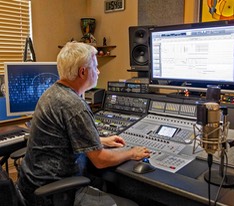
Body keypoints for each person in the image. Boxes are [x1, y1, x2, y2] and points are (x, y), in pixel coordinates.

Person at [17, 41, 150, 206]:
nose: (99, 71)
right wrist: (131, 153)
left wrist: (100, 140)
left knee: (107, 184)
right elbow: (100, 160)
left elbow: (64, 137)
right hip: (54, 194)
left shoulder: (53, 92)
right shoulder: (74, 105)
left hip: (31, 186)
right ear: (82, 72)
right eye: (95, 66)